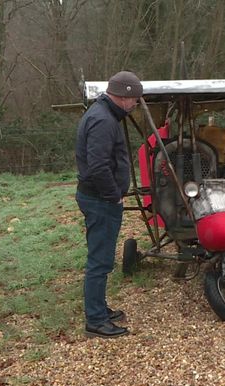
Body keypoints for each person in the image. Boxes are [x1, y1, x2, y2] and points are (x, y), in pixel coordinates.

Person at [75, 71, 142, 338]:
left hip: (98, 198)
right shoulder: (103, 120)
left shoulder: (102, 114)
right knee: (100, 261)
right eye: (135, 99)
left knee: (100, 257)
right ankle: (96, 321)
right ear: (123, 96)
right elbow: (99, 166)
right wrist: (113, 195)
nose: (136, 104)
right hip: (101, 200)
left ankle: (99, 308)